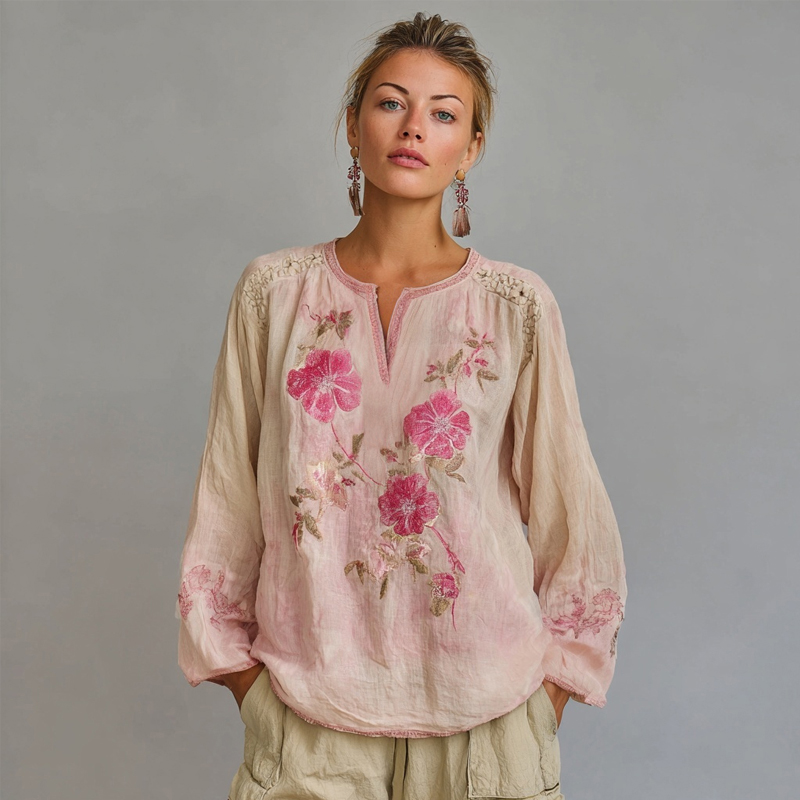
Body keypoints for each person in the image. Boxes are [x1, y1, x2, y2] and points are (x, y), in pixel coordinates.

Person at [175, 12, 627, 800]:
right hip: (308, 718)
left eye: (444, 114)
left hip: (488, 724)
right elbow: (227, 498)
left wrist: (544, 703)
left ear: (470, 150)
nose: (414, 127)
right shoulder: (273, 295)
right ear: (354, 126)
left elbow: (572, 512)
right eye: (391, 103)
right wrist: (247, 685)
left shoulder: (514, 307)